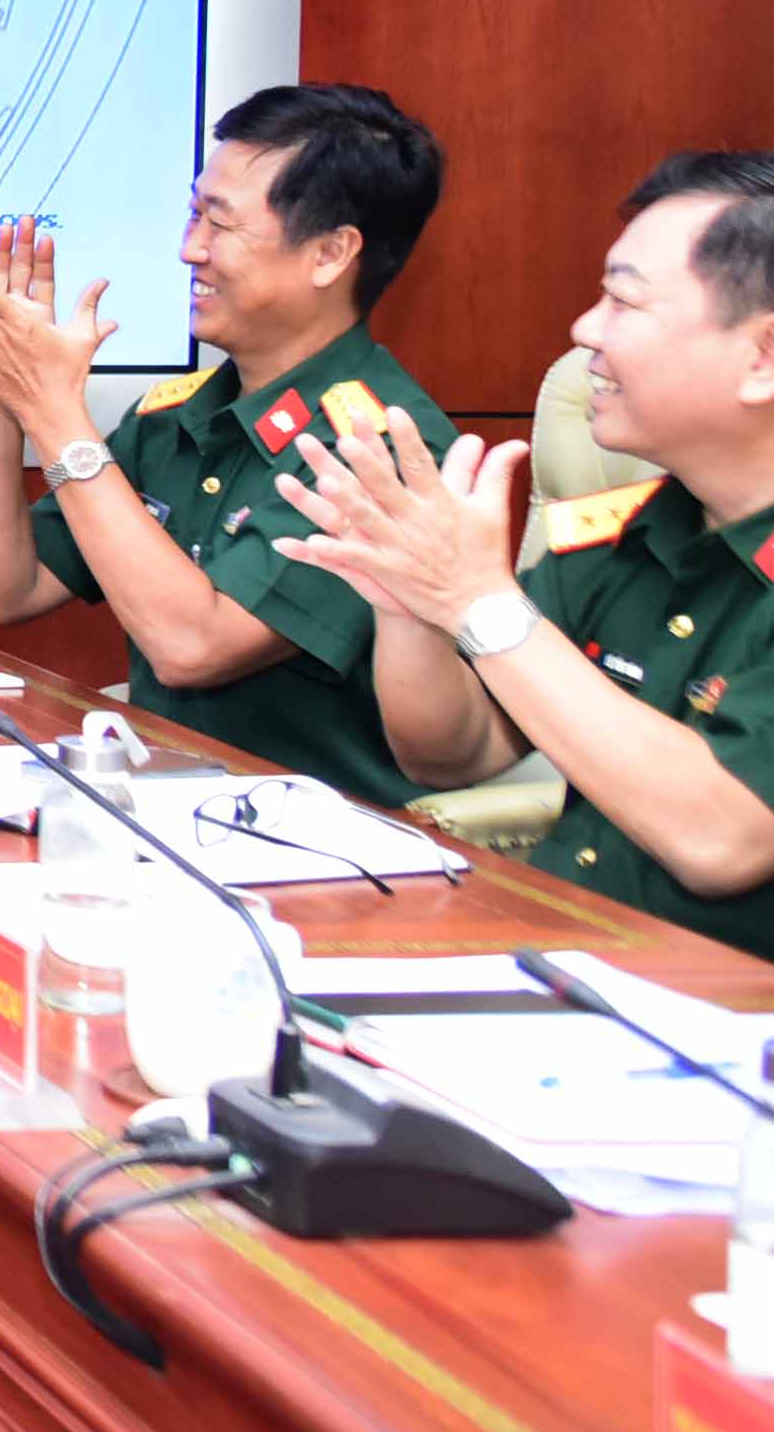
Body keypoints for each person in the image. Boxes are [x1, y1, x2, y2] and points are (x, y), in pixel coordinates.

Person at [277, 154, 774, 955]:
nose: (585, 331)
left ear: (763, 356)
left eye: (623, 302)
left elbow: (722, 838)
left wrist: (480, 604)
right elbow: (452, 753)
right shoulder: (623, 535)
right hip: (571, 967)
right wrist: (409, 604)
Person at [0, 84, 451, 802]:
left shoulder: (377, 448)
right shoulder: (178, 414)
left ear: (330, 253)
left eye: (220, 224)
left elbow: (193, 647)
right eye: (194, 214)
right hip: (161, 807)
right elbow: (1, 590)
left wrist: (53, 410)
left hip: (309, 839)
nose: (189, 249)